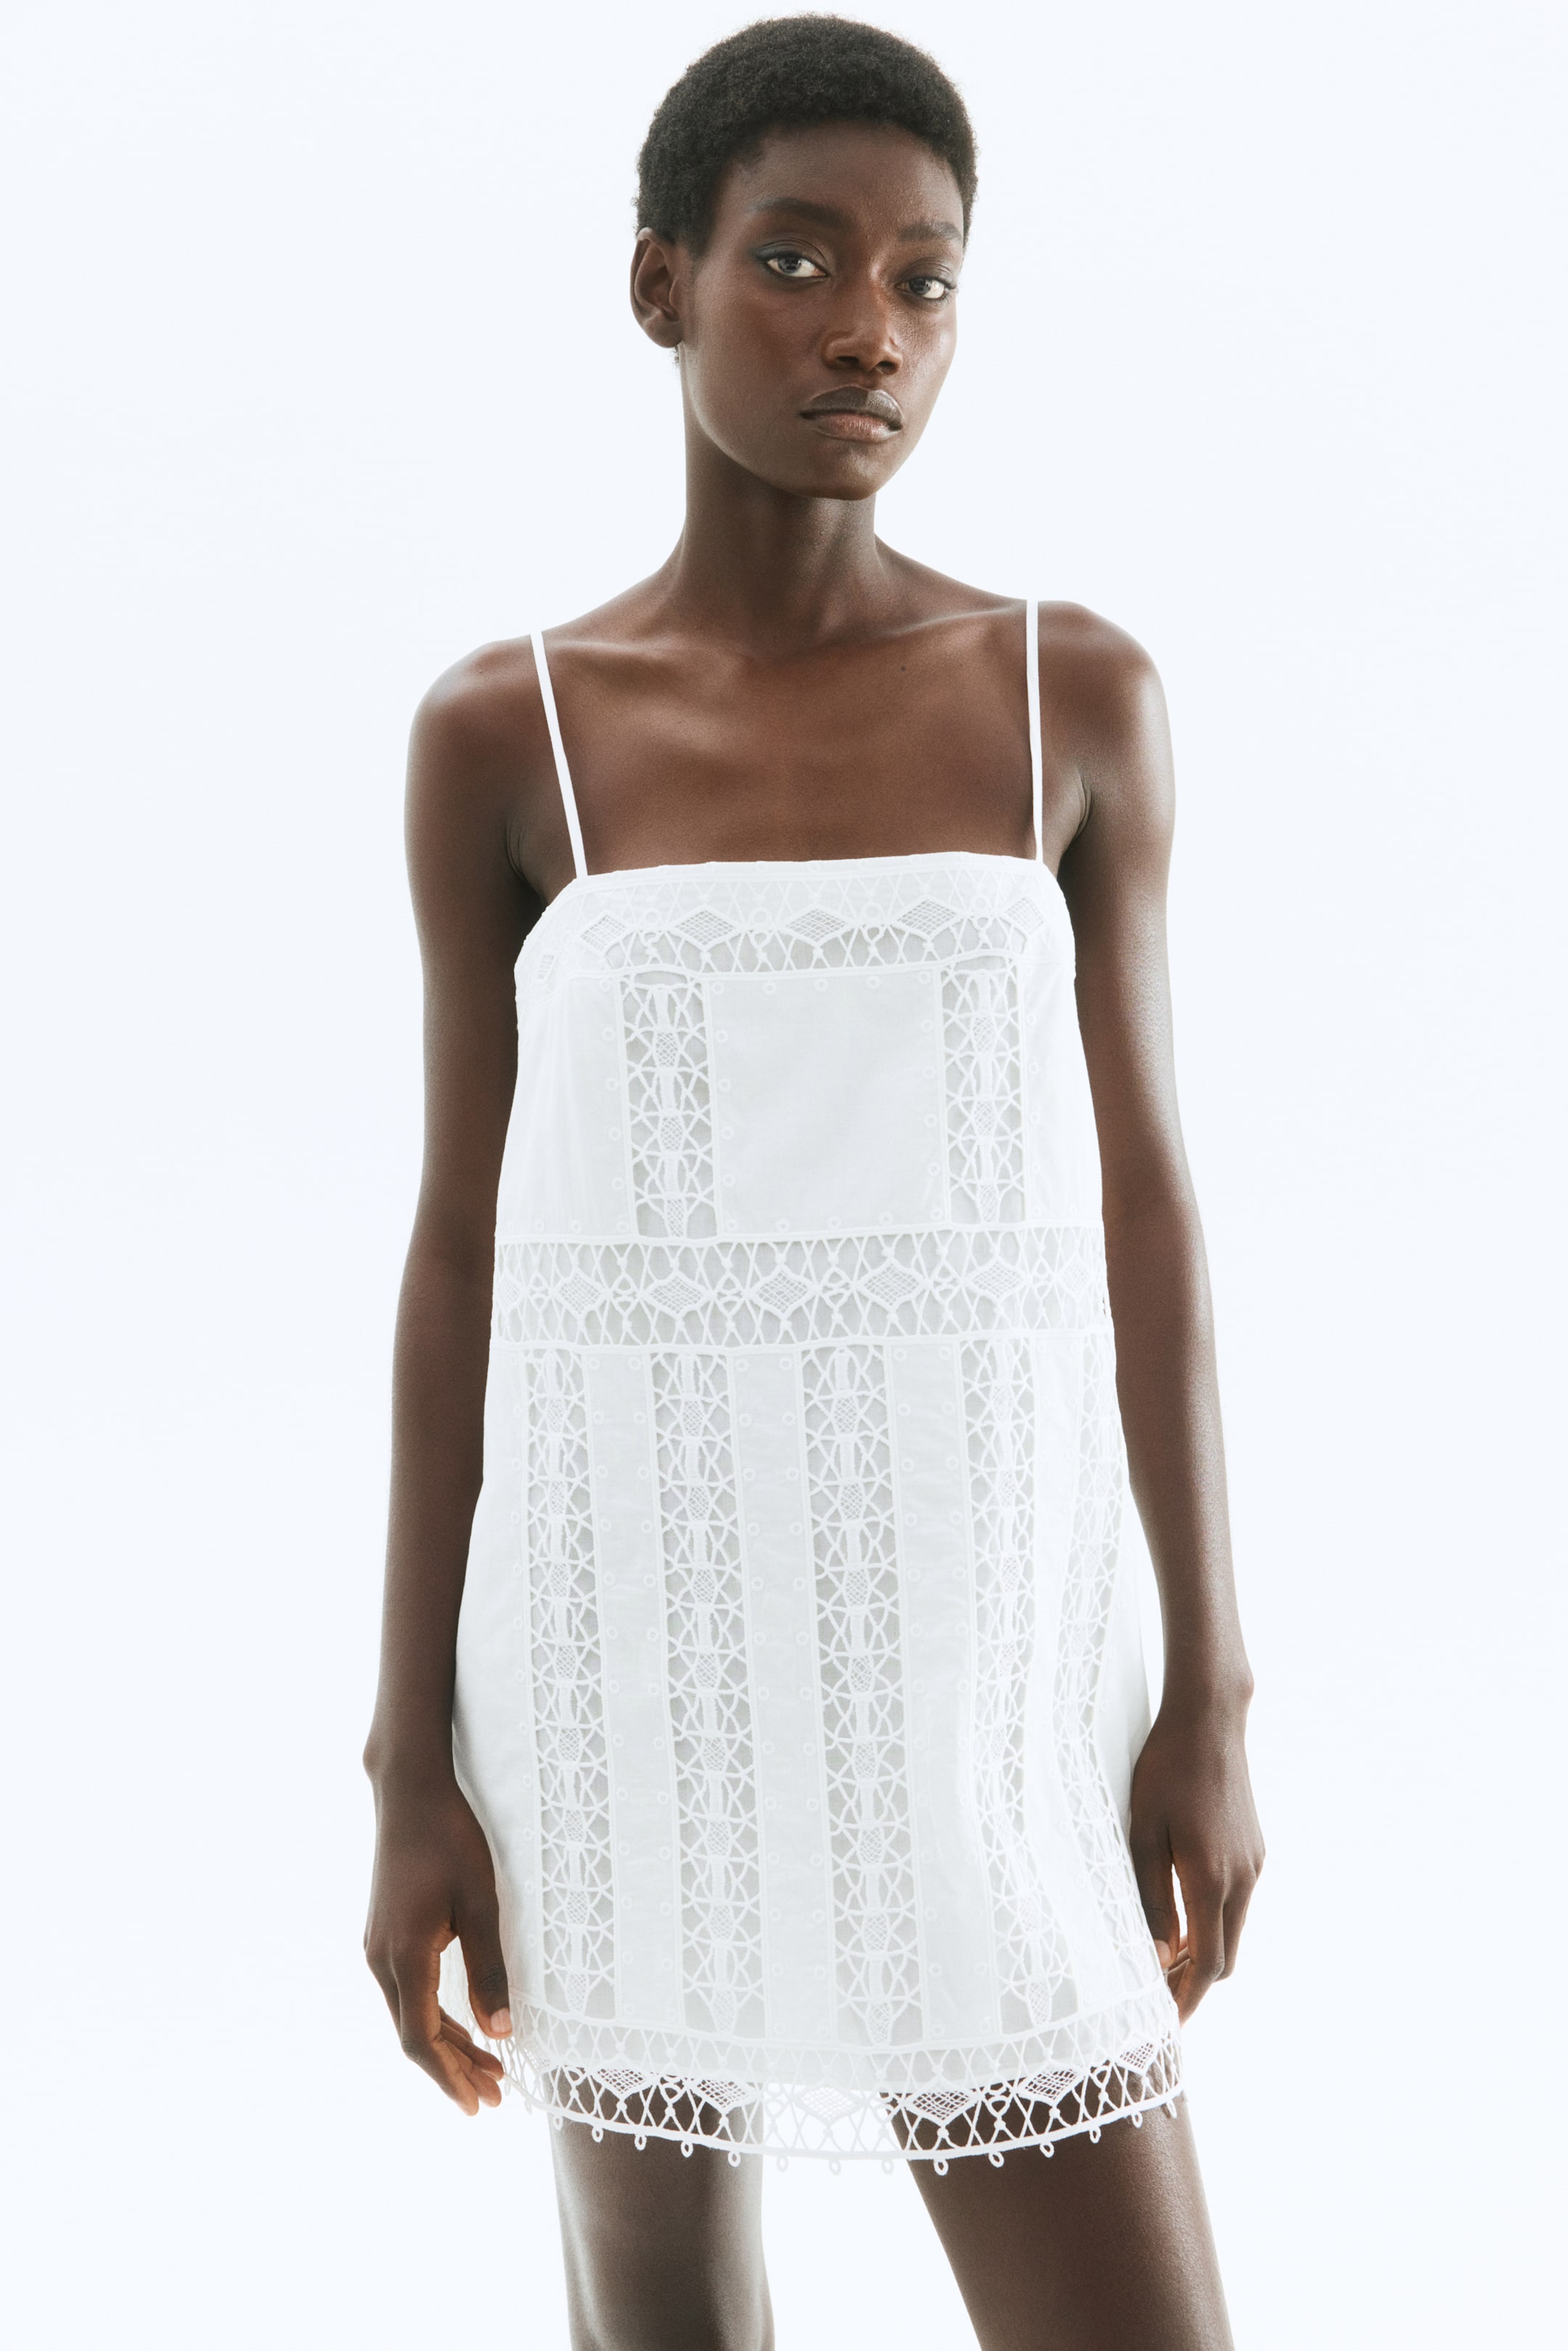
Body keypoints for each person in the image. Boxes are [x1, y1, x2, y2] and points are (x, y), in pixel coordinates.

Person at [363, 17, 1263, 2347]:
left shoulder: (1071, 696)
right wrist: (408, 1766)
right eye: (797, 259)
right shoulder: (511, 732)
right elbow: (457, 1256)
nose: (869, 326)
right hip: (615, 1665)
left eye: (924, 279)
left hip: (980, 1674)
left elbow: (1151, 1219)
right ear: (659, 283)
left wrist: (1212, 1693)